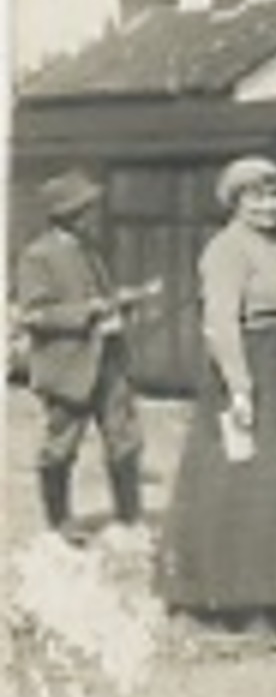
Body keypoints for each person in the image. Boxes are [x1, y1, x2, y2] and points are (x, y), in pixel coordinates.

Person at [159, 157, 276, 642]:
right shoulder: (226, 250)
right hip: (247, 371)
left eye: (275, 195)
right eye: (256, 197)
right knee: (245, 486)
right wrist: (240, 388)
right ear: (235, 202)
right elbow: (221, 324)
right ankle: (240, 602)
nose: (269, 206)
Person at [14, 169, 145, 545]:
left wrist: (123, 302)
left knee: (125, 439)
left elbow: (101, 299)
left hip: (109, 360)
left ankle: (129, 519)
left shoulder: (90, 250)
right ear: (68, 214)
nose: (94, 215)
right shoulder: (38, 255)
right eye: (87, 209)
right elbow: (34, 315)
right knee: (61, 445)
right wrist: (89, 310)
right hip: (66, 366)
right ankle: (59, 524)